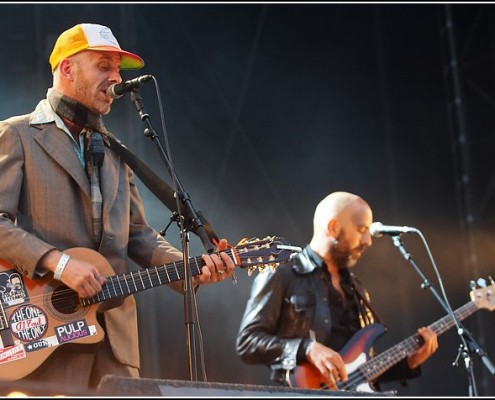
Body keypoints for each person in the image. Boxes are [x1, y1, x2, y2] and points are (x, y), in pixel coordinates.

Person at [0, 23, 236, 390]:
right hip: (44, 338)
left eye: (118, 70)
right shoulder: (17, 134)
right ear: (67, 69)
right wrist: (59, 263)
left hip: (116, 344)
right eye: (104, 66)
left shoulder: (114, 150)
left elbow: (139, 234)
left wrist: (190, 268)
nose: (115, 79)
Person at [236, 191, 438, 393]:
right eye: (361, 229)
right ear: (333, 227)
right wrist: (307, 348)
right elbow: (248, 342)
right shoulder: (282, 273)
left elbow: (360, 370)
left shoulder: (356, 288)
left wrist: (409, 363)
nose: (368, 240)